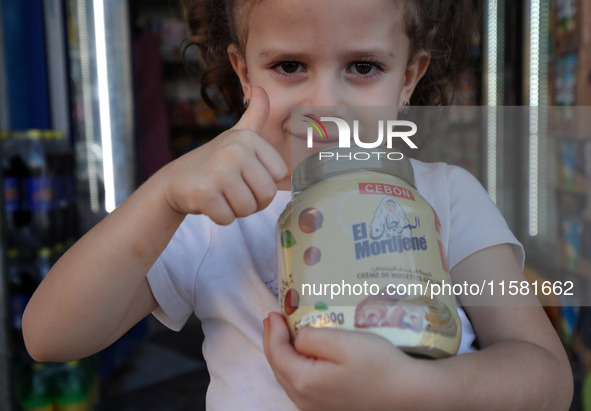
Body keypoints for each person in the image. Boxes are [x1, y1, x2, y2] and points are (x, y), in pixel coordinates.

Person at [23, 0, 573, 409]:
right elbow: (50, 336)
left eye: (363, 67)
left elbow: (547, 376)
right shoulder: (216, 215)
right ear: (244, 73)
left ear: (408, 77)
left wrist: (419, 388)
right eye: (289, 66)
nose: (324, 104)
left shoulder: (448, 197)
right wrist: (162, 196)